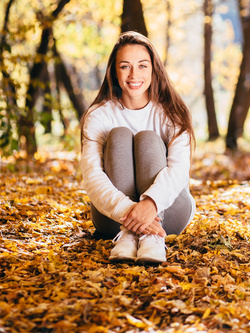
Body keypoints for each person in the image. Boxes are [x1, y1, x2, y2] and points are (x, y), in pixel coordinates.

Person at [80, 31, 196, 264]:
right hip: (113, 216)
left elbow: (179, 170)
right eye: (125, 66)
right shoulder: (99, 116)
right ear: (114, 70)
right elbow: (92, 176)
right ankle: (128, 234)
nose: (134, 74)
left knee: (147, 139)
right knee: (120, 136)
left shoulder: (171, 113)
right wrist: (128, 211)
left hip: (170, 211)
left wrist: (151, 205)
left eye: (142, 66)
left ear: (154, 70)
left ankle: (152, 238)